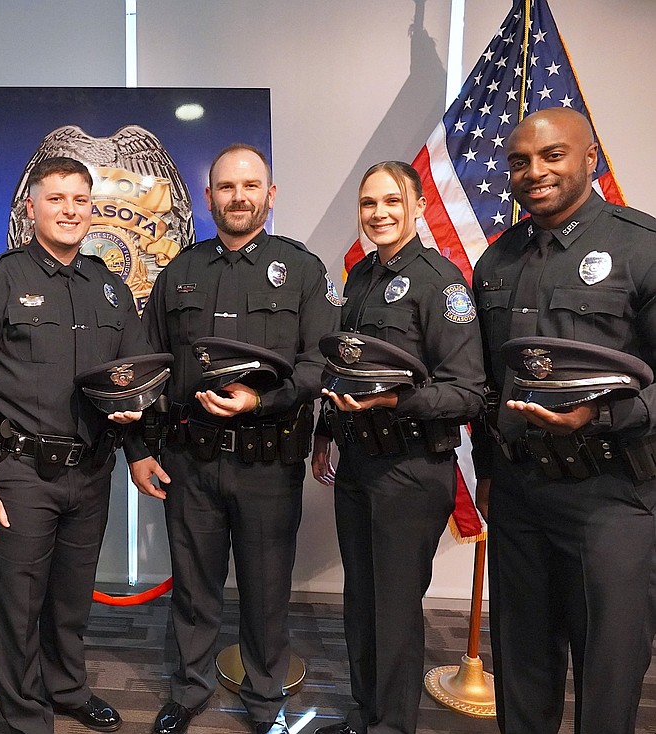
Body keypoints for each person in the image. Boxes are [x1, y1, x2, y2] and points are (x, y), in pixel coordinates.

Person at [132, 143, 340, 734]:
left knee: (266, 588)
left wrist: (263, 399)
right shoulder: (180, 273)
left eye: (251, 186)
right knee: (194, 588)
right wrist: (143, 448)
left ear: (270, 195)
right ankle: (190, 688)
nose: (239, 197)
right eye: (226, 187)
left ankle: (266, 693)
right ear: (209, 197)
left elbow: (317, 363)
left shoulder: (302, 271)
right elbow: (151, 365)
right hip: (191, 459)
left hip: (267, 461)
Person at [0, 156, 150, 734]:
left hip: (90, 471)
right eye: (56, 199)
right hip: (18, 472)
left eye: (80, 200)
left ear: (92, 208)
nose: (69, 210)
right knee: (16, 605)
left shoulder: (109, 287)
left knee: (71, 598)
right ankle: (27, 717)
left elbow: (132, 374)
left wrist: (138, 446)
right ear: (31, 207)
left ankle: (67, 688)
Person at [472, 107, 656, 734]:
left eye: (552, 156)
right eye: (519, 161)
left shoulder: (641, 248)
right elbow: (493, 387)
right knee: (521, 668)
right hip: (521, 492)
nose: (534, 172)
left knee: (608, 674)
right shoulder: (496, 263)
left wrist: (602, 414)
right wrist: (490, 472)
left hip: (609, 495)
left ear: (590, 158)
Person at [310, 162, 484, 734]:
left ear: (416, 207)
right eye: (368, 204)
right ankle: (368, 715)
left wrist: (395, 405)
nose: (378, 214)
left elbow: (466, 392)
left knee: (396, 608)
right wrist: (325, 435)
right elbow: (344, 366)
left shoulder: (442, 283)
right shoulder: (358, 277)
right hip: (359, 459)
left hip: (411, 466)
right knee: (361, 601)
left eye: (390, 202)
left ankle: (394, 726)